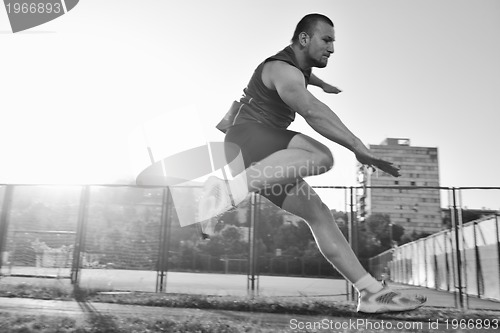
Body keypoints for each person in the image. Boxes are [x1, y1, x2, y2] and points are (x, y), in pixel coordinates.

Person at [199, 13, 426, 313]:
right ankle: (226, 193)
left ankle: (370, 293)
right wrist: (359, 148)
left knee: (318, 213)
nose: (332, 48)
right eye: (327, 40)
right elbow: (312, 111)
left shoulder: (300, 70)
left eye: (334, 42)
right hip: (246, 139)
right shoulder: (282, 70)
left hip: (261, 158)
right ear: (304, 39)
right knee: (321, 156)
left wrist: (323, 84)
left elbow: (308, 77)